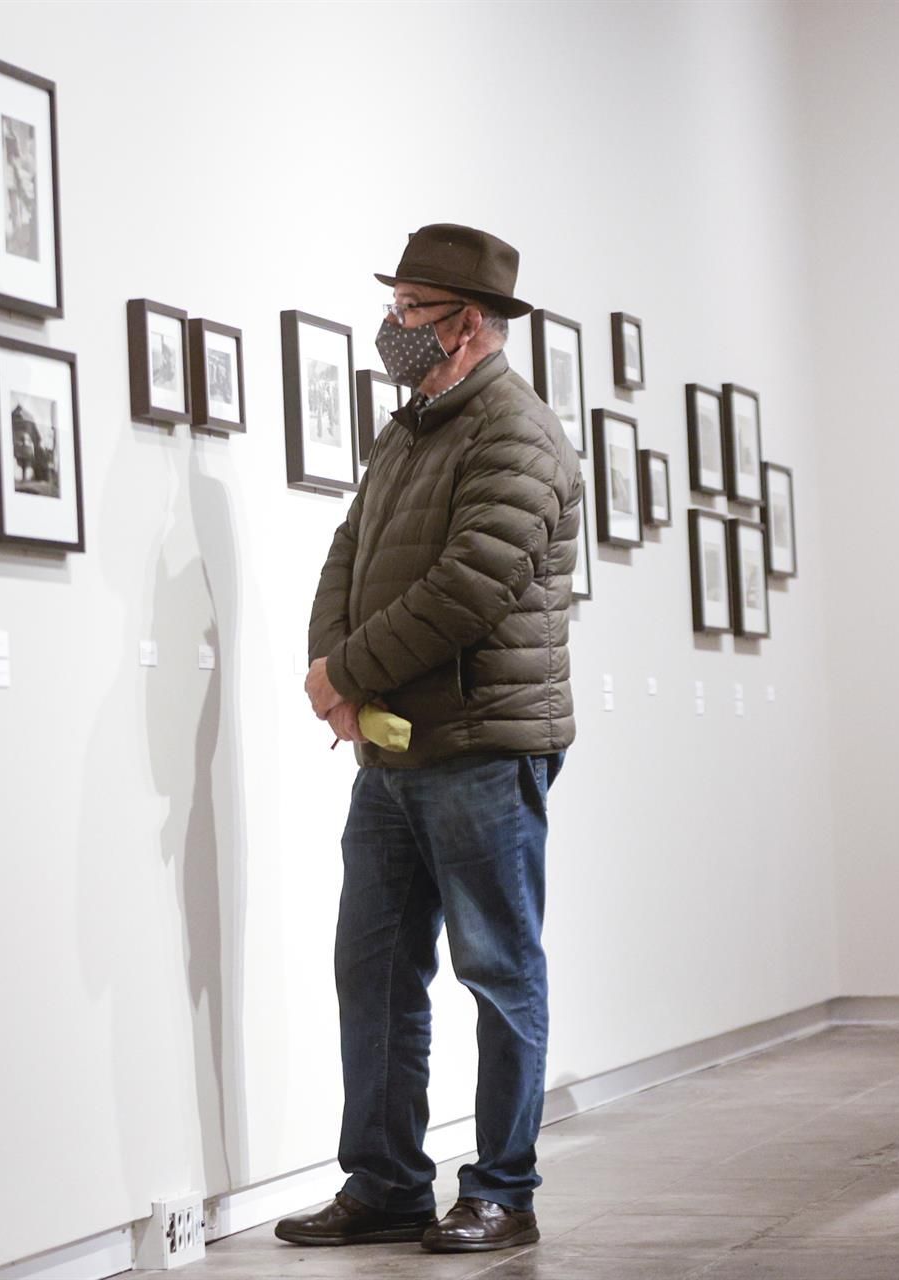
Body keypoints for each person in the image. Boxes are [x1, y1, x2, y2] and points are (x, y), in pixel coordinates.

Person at [275, 224, 583, 1255]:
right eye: (396, 307)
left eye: (413, 312)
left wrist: (347, 672)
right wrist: (332, 676)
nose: (394, 328)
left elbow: (467, 589)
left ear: (470, 324)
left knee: (499, 970)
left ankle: (503, 1187)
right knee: (372, 964)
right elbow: (348, 549)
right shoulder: (410, 424)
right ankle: (387, 1179)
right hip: (394, 746)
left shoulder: (520, 433)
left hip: (485, 746)